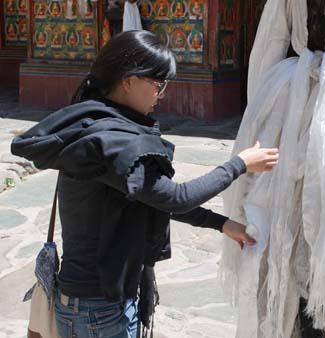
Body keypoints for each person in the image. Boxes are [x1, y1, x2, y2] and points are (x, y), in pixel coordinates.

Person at [11, 30, 279, 338]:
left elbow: (152, 195)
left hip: (83, 301)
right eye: (158, 84)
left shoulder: (94, 127)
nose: (161, 94)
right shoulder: (114, 142)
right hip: (100, 308)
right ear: (128, 80)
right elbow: (176, 197)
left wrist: (221, 223)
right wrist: (240, 164)